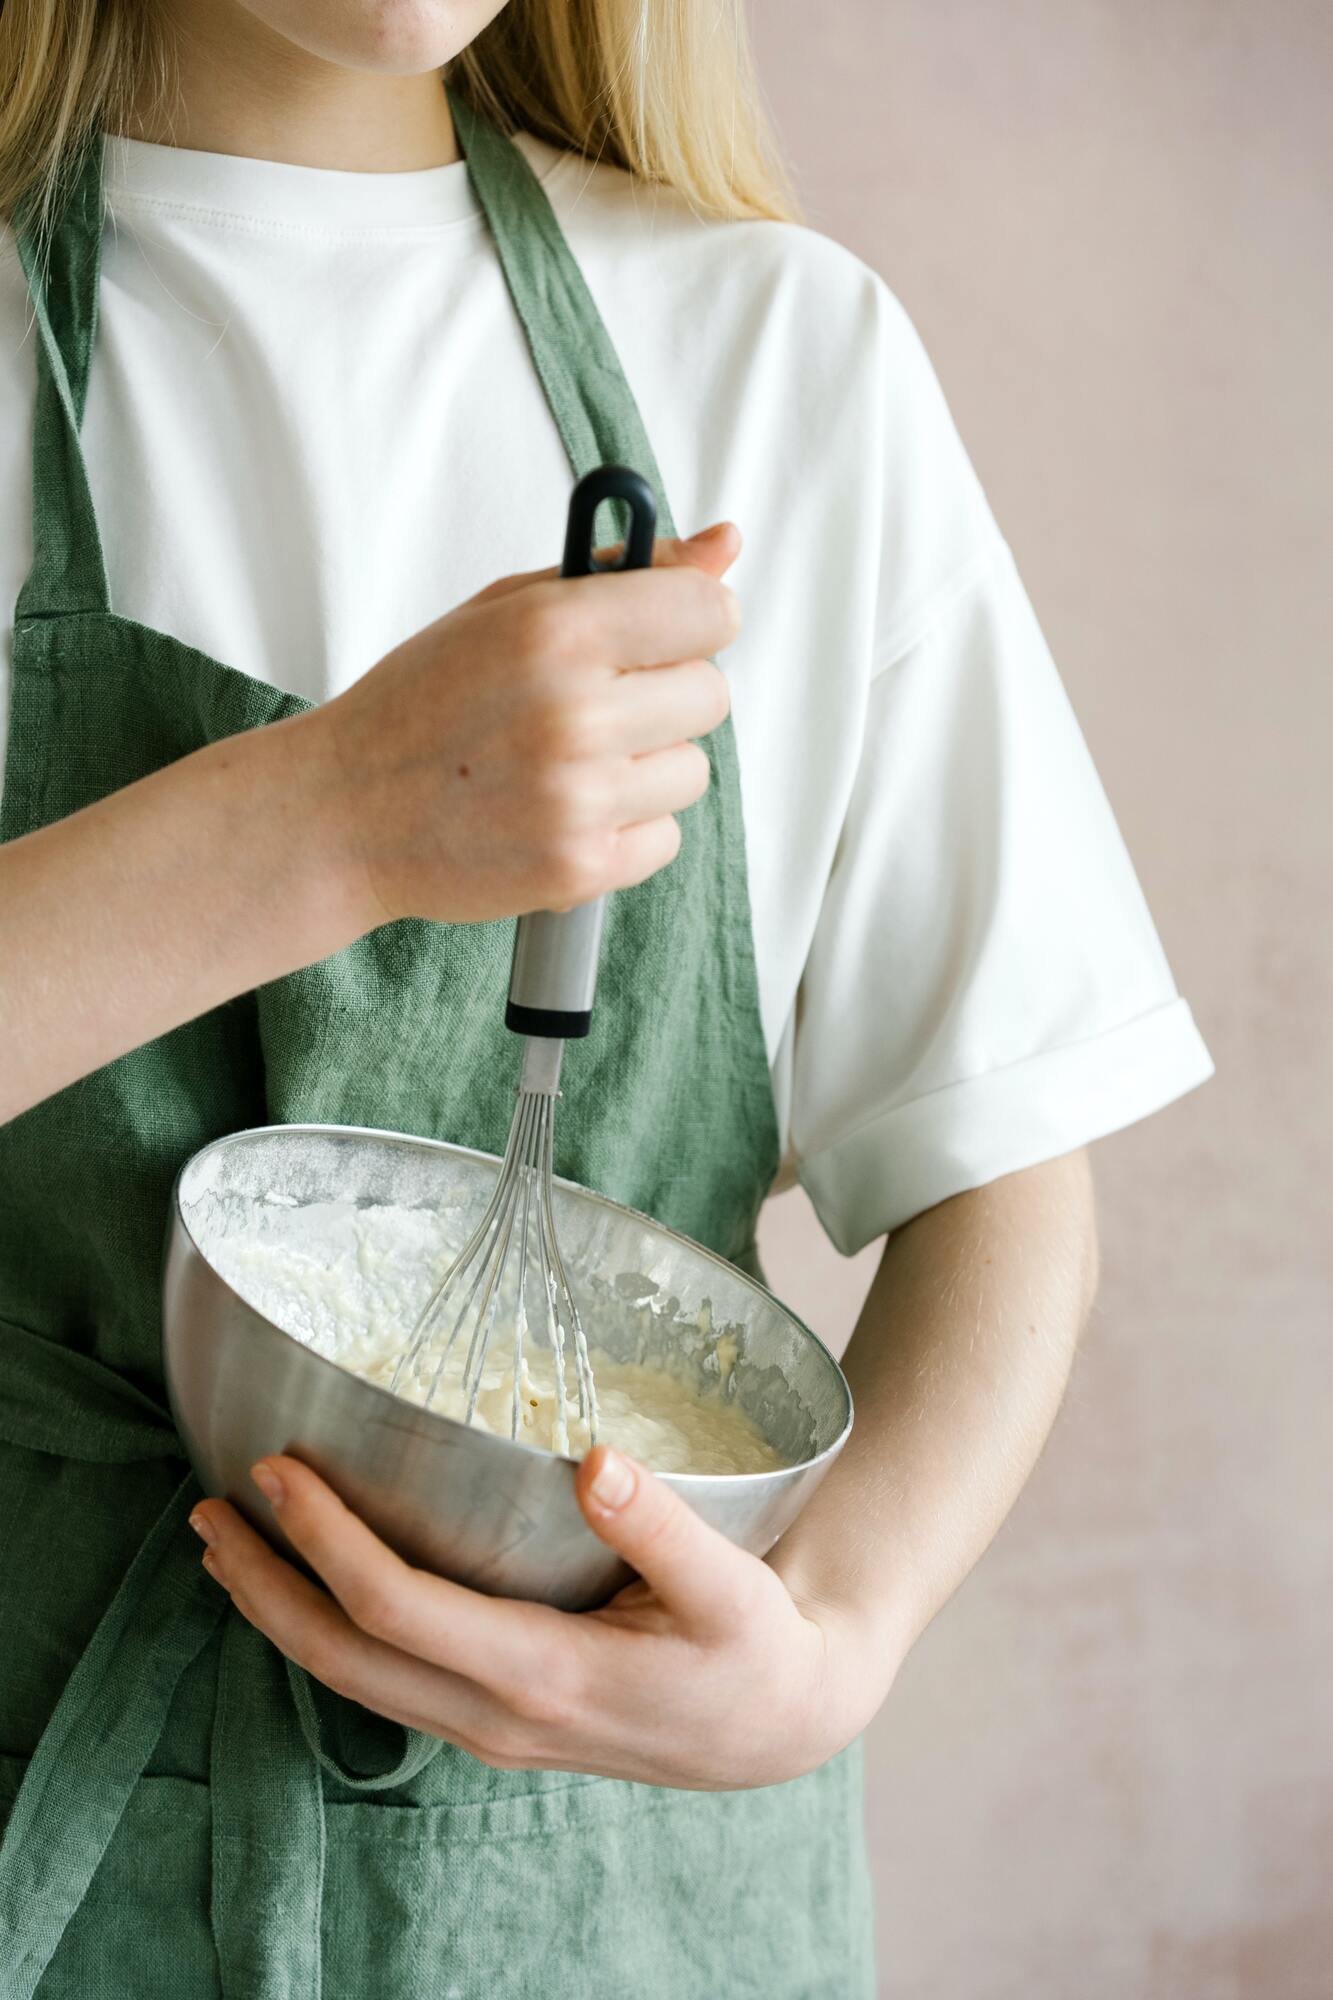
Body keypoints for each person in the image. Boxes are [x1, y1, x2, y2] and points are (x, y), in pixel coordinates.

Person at [0, 2, 1214, 1994]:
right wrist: (333, 817)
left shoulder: (779, 358)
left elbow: (1006, 1165)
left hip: (610, 1918)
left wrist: (834, 1634)